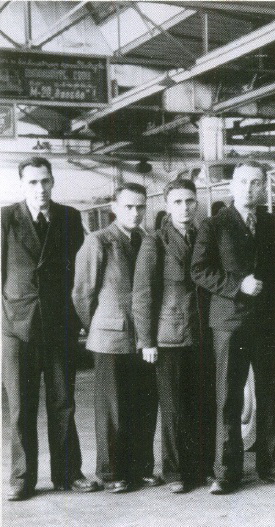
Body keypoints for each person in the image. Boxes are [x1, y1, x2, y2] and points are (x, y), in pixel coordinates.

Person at [191, 162, 275, 495]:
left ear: (263, 187)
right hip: (230, 323)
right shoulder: (214, 224)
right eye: (243, 182)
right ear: (232, 186)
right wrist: (237, 285)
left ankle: (273, 464)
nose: (249, 188)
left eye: (255, 183)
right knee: (229, 396)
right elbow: (199, 270)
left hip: (268, 322)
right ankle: (226, 472)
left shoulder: (273, 224)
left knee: (271, 393)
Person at [1, 157, 99, 501]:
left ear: (53, 182)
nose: (40, 189)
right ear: (22, 184)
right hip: (16, 326)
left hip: (60, 325)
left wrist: (80, 319)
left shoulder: (69, 217)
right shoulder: (5, 218)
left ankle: (68, 473)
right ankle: (22, 479)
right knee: (20, 406)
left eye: (45, 181)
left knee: (63, 402)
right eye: (32, 182)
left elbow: (79, 273)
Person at [72, 182, 162, 493]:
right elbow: (82, 294)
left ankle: (141, 468)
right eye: (128, 207)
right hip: (110, 339)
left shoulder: (147, 240)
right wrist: (99, 325)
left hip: (144, 337)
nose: (135, 213)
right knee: (113, 409)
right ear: (114, 208)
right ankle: (111, 472)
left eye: (140, 207)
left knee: (144, 404)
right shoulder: (98, 241)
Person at [132, 178, 214, 493]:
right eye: (177, 202)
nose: (184, 208)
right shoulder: (155, 242)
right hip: (169, 337)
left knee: (202, 404)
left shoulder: (204, 235)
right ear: (167, 206)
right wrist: (147, 341)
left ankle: (202, 467)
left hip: (202, 334)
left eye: (190, 201)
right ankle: (175, 472)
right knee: (174, 409)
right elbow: (143, 294)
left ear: (197, 203)